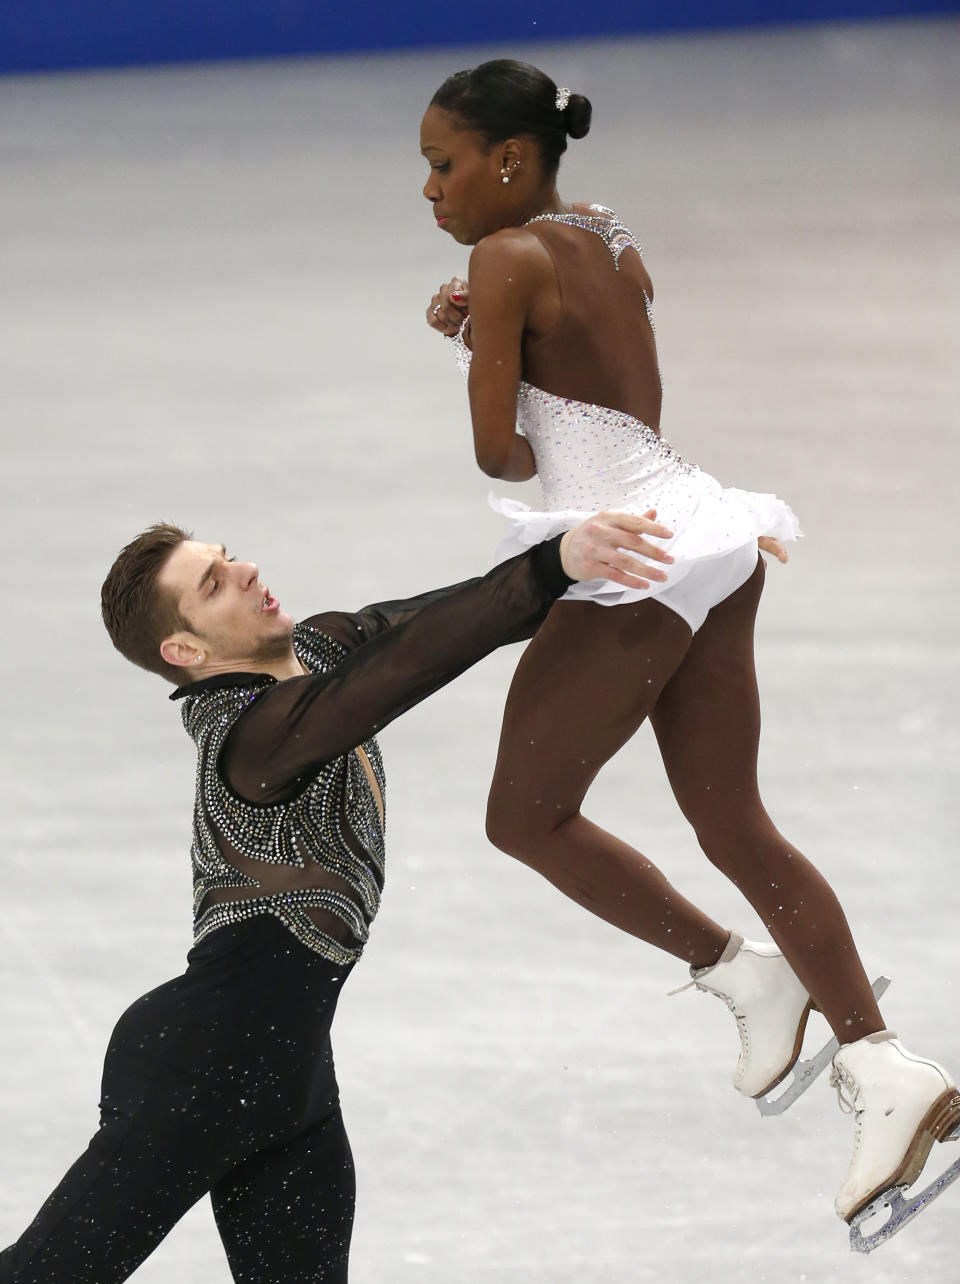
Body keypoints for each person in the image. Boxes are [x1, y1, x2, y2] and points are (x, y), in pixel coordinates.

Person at [419, 58, 958, 1228]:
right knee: (732, 821)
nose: (431, 189)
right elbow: (609, 369)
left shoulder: (499, 257)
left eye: (443, 163)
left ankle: (743, 970)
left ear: (509, 160)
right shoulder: (601, 231)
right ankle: (881, 1063)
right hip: (710, 529)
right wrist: (498, 329)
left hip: (632, 560)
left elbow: (504, 457)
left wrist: (476, 336)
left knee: (524, 816)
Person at [0, 509, 662, 1283]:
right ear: (186, 650)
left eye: (230, 558)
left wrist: (644, 551)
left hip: (292, 1086)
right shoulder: (251, 737)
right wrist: (553, 564)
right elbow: (412, 663)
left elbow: (447, 616)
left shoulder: (316, 649)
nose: (244, 572)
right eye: (214, 585)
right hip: (201, 1073)